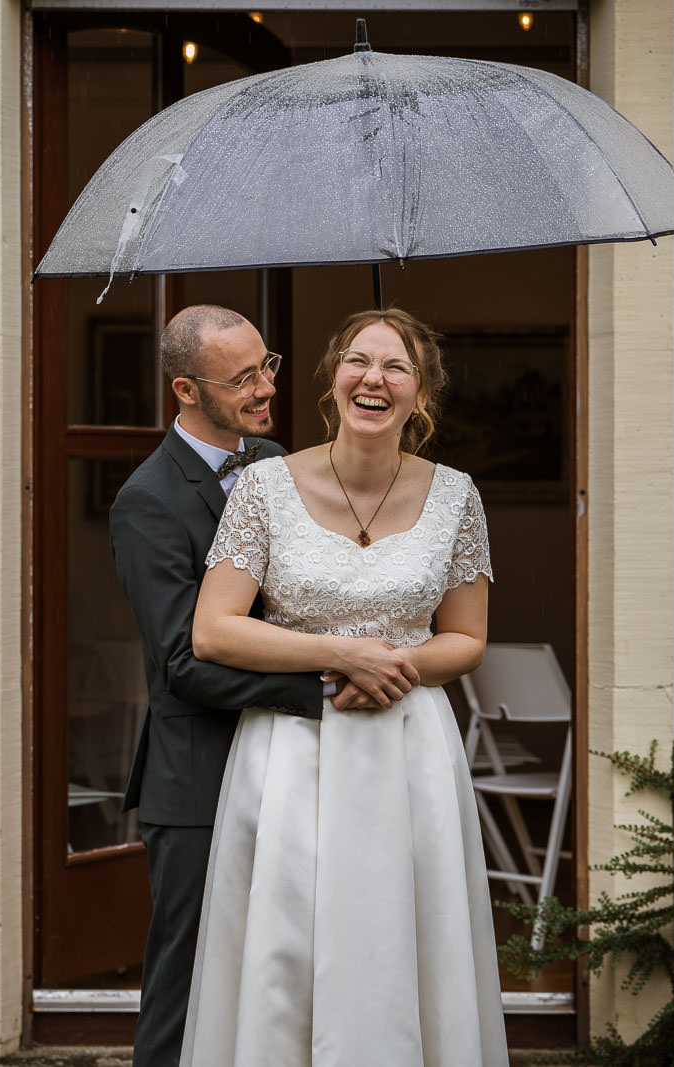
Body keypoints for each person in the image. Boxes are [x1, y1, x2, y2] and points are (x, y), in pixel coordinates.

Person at [181, 307, 510, 1066]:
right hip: (292, 749)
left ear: (421, 392)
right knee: (287, 941)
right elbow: (214, 630)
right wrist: (342, 655)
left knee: (406, 934)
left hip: (410, 750)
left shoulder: (457, 496)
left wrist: (394, 668)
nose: (374, 378)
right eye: (358, 361)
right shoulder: (263, 488)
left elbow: (466, 638)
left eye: (397, 367)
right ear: (333, 378)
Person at [109, 305, 338, 1067]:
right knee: (187, 980)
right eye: (242, 378)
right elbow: (182, 661)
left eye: (266, 365)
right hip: (198, 778)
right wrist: (319, 683)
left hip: (290, 762)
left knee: (279, 969)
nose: (266, 387)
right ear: (185, 389)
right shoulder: (147, 500)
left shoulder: (275, 461)